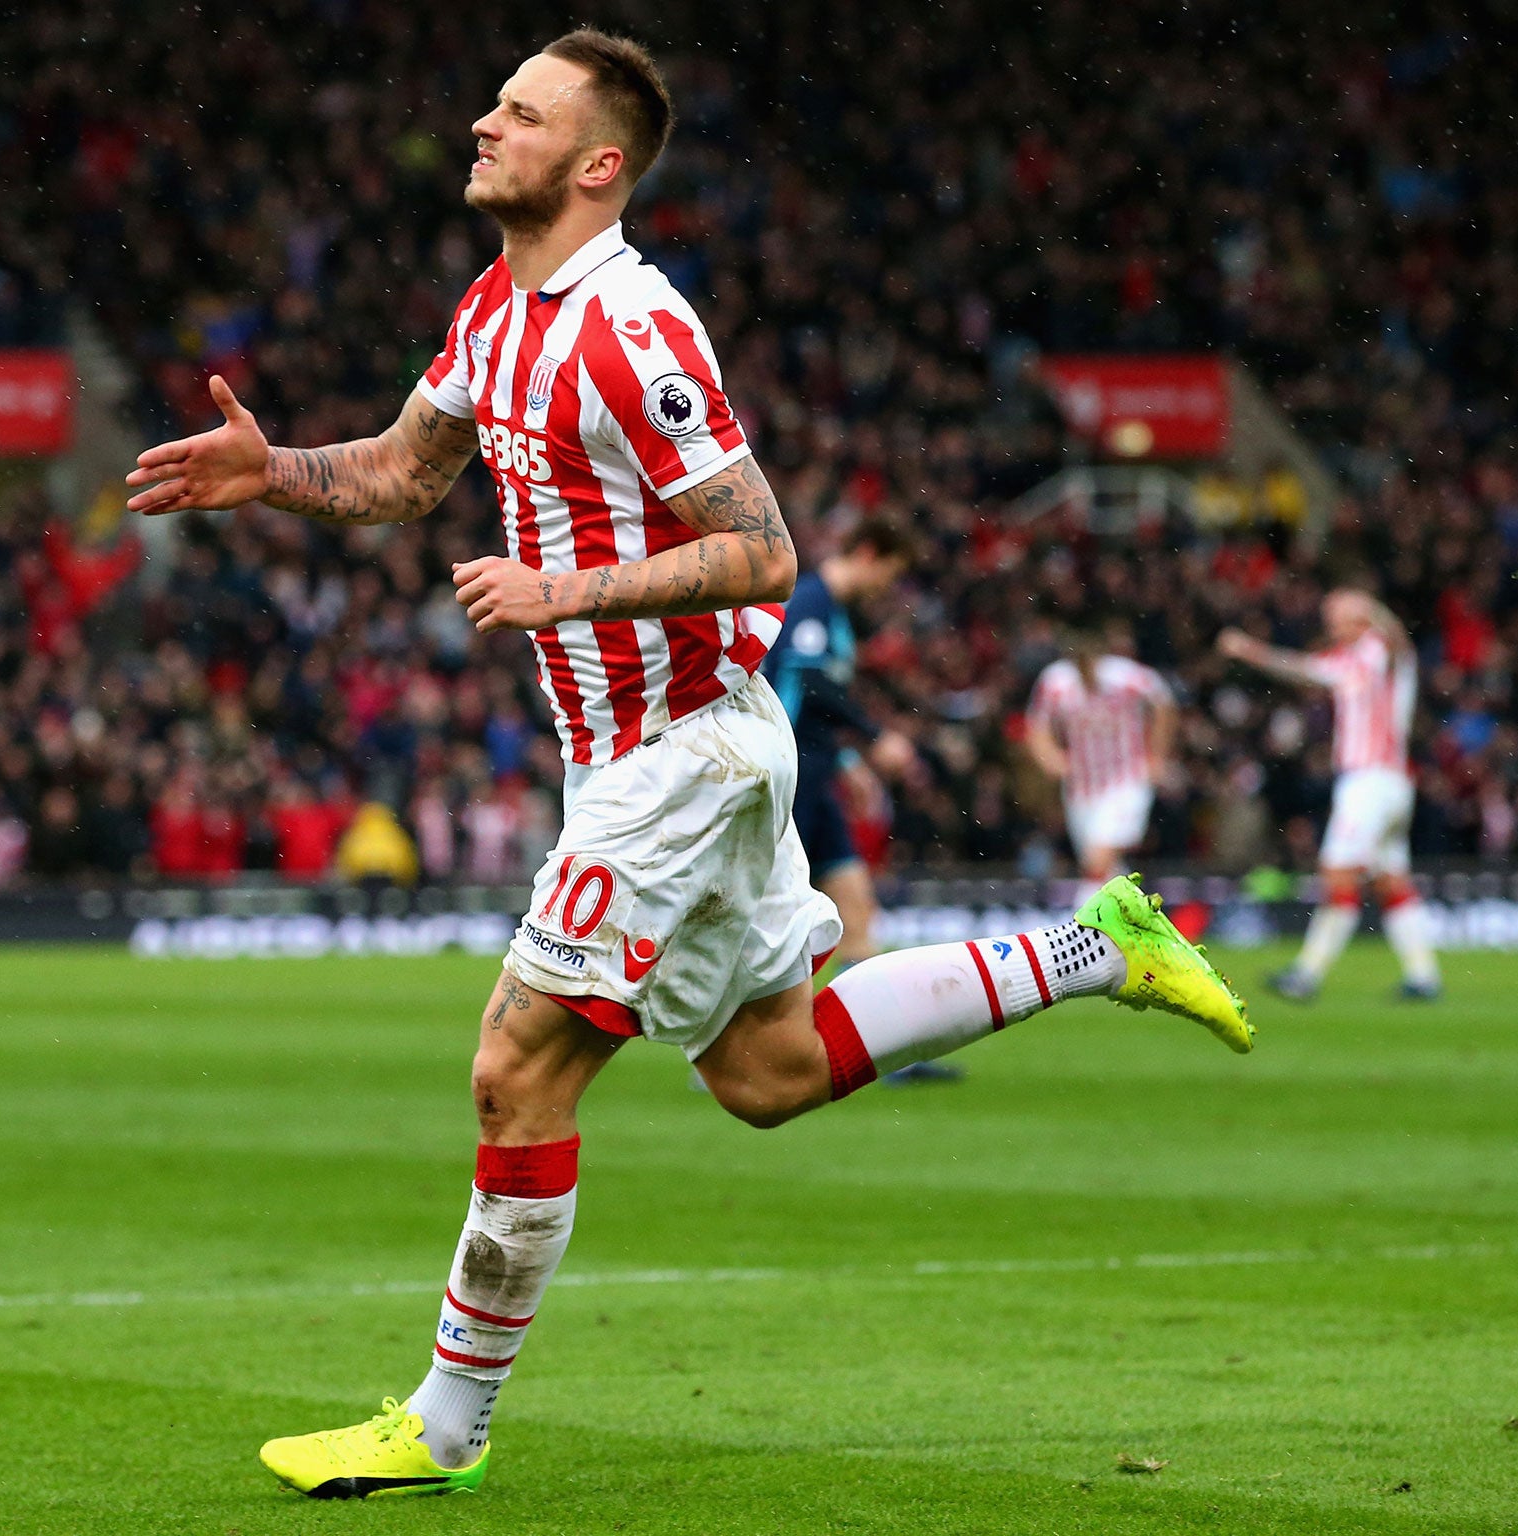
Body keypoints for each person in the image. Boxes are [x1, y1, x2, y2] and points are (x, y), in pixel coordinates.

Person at [126, 28, 1251, 1501]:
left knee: (516, 1067)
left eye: (517, 113)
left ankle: (442, 1427)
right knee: (767, 1073)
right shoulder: (492, 310)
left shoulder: (632, 330)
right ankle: (1091, 947)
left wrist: (563, 593)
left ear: (597, 165)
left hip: (687, 754)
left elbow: (765, 548)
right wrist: (270, 474)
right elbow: (408, 472)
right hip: (645, 758)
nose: (480, 123)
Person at [764, 517, 958, 1085]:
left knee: (857, 909)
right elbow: (808, 686)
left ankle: (883, 1050)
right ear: (870, 551)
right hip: (789, 781)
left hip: (818, 777)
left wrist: (848, 764)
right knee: (774, 918)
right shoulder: (810, 601)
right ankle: (732, 1053)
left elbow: (810, 700)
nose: (886, 589)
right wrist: (876, 738)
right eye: (889, 574)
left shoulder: (833, 613)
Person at [1218, 588, 1441, 1001]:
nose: (1333, 626)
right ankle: (1424, 976)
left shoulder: (1381, 651)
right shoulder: (1350, 661)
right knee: (1392, 882)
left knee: (1338, 873)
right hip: (1388, 783)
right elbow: (1303, 669)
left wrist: (1370, 610)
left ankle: (1307, 973)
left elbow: (1397, 641)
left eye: (1339, 617)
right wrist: (1251, 651)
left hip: (1370, 783)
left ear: (1363, 619)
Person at [1025, 620, 1176, 895]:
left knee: (1098, 858)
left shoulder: (1124, 676)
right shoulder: (1056, 681)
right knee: (1106, 869)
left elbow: (1164, 702)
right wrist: (1049, 756)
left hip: (1126, 781)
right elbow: (1037, 724)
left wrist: (1157, 756)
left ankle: (1080, 925)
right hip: (1082, 788)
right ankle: (1127, 925)